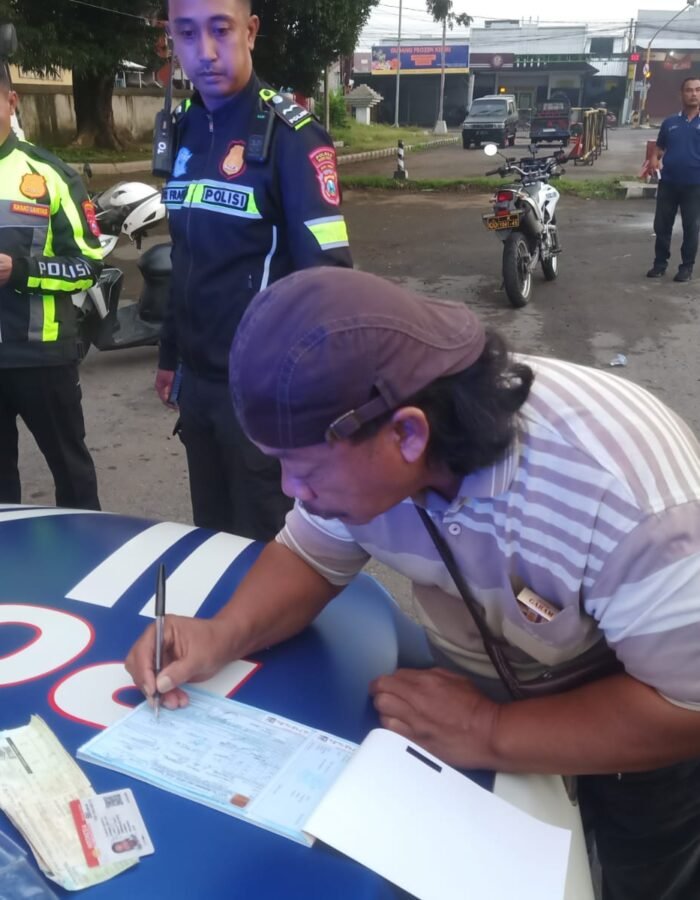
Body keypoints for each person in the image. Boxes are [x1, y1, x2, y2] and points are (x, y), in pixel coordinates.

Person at [127, 267, 700, 900]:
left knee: (645, 870)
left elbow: (686, 707)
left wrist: (490, 731)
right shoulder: (361, 439)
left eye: (305, 468)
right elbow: (311, 556)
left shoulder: (630, 501)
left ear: (407, 433)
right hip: (476, 704)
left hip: (630, 718)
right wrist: (222, 634)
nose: (291, 490)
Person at [157, 0, 353, 541]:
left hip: (262, 396)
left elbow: (329, 279)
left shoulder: (292, 135)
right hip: (199, 391)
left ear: (251, 31)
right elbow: (184, 255)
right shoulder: (185, 128)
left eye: (220, 30)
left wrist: (314, 397)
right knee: (211, 541)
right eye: (187, 34)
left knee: (267, 549)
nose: (205, 52)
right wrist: (170, 355)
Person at [0, 67, 102, 510]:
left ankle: (88, 547)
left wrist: (20, 271)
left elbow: (88, 266)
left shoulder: (49, 174)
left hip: (41, 355)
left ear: (12, 101)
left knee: (72, 476)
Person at [646, 76, 700, 282]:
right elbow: (659, 148)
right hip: (668, 182)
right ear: (681, 94)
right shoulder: (670, 123)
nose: (693, 94)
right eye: (689, 90)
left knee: (691, 228)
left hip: (695, 185)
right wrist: (654, 159)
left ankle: (686, 268)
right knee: (662, 226)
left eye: (698, 90)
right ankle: (660, 264)